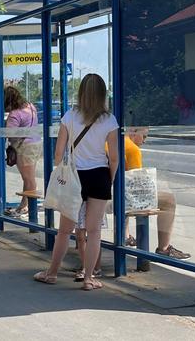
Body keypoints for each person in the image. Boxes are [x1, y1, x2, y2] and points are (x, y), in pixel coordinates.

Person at [34, 73, 119, 291]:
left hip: (75, 176)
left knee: (64, 230)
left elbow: (58, 153)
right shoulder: (109, 120)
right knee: (94, 231)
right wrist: (110, 178)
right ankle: (89, 278)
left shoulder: (70, 116)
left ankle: (52, 273)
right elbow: (115, 157)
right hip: (100, 175)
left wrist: (62, 169)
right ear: (102, 94)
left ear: (81, 93)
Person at [121, 127, 190, 259]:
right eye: (144, 136)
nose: (144, 141)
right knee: (169, 200)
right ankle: (164, 248)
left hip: (101, 194)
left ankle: (125, 236)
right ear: (133, 131)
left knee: (123, 191)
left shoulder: (111, 140)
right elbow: (136, 182)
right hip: (117, 197)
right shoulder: (132, 149)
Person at [4, 86, 41, 217]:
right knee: (28, 178)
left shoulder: (15, 114)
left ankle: (28, 209)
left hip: (24, 147)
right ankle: (23, 205)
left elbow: (10, 134)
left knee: (29, 179)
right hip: (35, 144)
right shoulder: (31, 106)